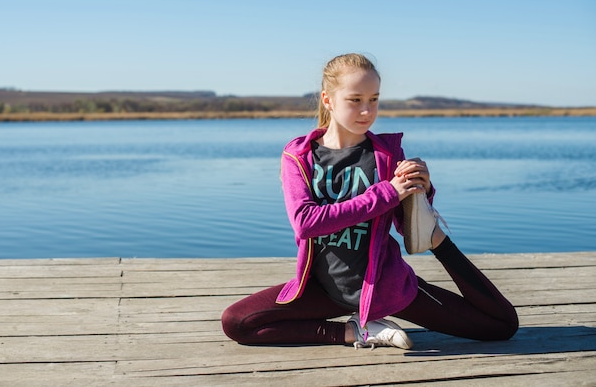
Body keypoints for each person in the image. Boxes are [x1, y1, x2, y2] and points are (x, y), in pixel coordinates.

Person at [221, 53, 518, 349]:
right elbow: (306, 223)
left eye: (374, 99)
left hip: (386, 290)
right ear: (328, 100)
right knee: (236, 321)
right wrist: (388, 192)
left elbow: (407, 227)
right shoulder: (299, 157)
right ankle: (357, 332)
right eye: (355, 100)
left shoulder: (386, 156)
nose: (367, 111)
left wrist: (422, 190)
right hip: (324, 290)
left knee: (501, 325)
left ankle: (375, 312)